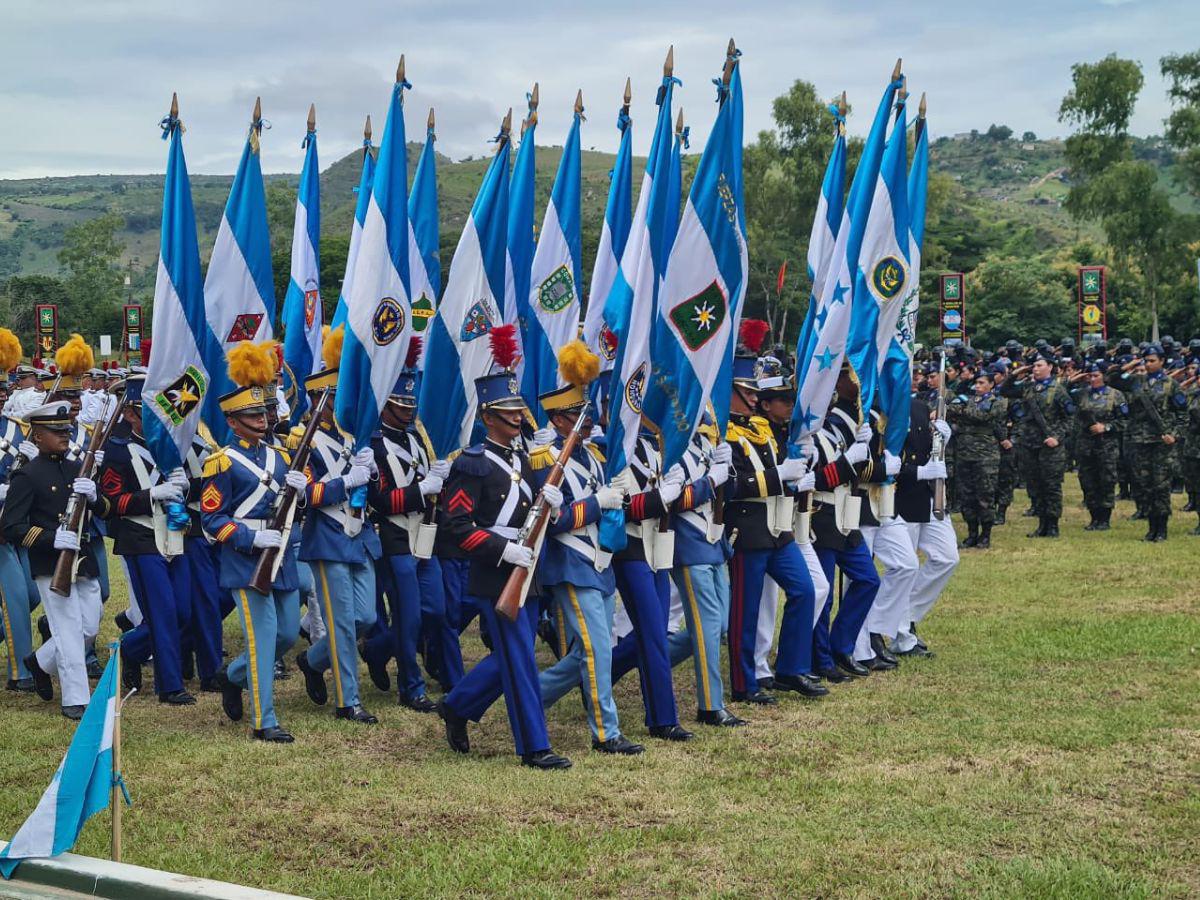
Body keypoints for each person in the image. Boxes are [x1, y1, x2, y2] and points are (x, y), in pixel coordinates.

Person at [436, 335, 572, 770]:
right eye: (507, 412)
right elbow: (457, 527)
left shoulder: (522, 459)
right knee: (519, 659)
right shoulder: (471, 463)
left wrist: (552, 504)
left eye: (518, 410)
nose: (517, 418)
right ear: (487, 417)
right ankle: (535, 747)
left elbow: (532, 511)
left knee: (514, 656)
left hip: (528, 568)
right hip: (497, 571)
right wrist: (503, 551)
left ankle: (457, 705)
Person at [534, 356, 644, 755]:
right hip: (570, 562)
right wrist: (599, 502)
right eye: (577, 415)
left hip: (600, 561)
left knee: (588, 651)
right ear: (558, 420)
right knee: (597, 650)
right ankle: (605, 733)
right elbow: (554, 520)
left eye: (586, 411)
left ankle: (529, 698)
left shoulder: (593, 455)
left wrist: (621, 493)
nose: (588, 420)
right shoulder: (545, 460)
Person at [202, 343, 305, 742]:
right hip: (246, 560)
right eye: (252, 414)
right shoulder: (222, 461)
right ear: (233, 420)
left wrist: (301, 488)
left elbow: (294, 504)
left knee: (287, 634)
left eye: (263, 412)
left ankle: (232, 676)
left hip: (281, 554)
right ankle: (265, 721)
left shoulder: (282, 456)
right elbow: (212, 519)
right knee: (262, 640)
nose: (262, 419)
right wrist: (250, 537)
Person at [724, 335, 821, 704]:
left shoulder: (761, 429)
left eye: (755, 392)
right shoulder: (722, 433)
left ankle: (791, 669)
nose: (754, 398)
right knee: (745, 613)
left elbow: (781, 471)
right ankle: (743, 684)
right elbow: (734, 485)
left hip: (777, 530)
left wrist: (798, 472)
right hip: (747, 531)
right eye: (747, 392)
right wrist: (781, 475)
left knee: (805, 590)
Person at [0, 401, 109, 719]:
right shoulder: (27, 475)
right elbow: (11, 526)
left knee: (90, 624)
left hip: (82, 558)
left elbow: (105, 510)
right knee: (68, 628)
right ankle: (76, 699)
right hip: (50, 562)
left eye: (66, 430)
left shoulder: (77, 469)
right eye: (56, 431)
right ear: (37, 436)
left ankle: (39, 662)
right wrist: (50, 538)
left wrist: (95, 497)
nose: (65, 435)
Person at [292, 334, 380, 725]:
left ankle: (312, 661)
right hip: (327, 536)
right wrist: (347, 481)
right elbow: (305, 495)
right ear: (317, 399)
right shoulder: (302, 440)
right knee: (342, 623)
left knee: (367, 617)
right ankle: (349, 700)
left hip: (360, 534)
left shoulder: (355, 437)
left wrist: (371, 473)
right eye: (334, 398)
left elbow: (374, 489)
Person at [363, 344, 456, 712]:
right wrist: (423, 489)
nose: (408, 411)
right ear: (386, 404)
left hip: (424, 534)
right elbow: (381, 500)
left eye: (410, 405)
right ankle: (411, 687)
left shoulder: (418, 439)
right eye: (401, 406)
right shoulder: (374, 446)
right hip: (395, 535)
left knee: (435, 610)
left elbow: (431, 486)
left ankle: (376, 650)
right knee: (409, 615)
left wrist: (441, 481)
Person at [96, 372, 196, 704]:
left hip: (173, 533)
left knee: (183, 612)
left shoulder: (173, 447)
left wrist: (184, 484)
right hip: (140, 536)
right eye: (149, 414)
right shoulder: (117, 451)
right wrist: (152, 494)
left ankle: (130, 649)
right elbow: (110, 503)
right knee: (163, 613)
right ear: (130, 413)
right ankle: (169, 686)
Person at [1116, 345, 1187, 541]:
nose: (1148, 364)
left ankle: (1161, 529)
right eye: (1146, 361)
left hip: (1161, 442)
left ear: (1162, 361)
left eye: (1152, 361)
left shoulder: (1171, 385)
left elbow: (1183, 416)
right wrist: (1132, 363)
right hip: (1140, 440)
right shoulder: (1137, 381)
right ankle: (1151, 528)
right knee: (1144, 485)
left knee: (1160, 485)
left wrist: (1174, 435)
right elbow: (1112, 378)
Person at [1002, 354, 1075, 538]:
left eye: (1039, 365)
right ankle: (1042, 524)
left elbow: (1070, 419)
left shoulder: (1058, 390)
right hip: (1030, 444)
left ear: (1050, 367)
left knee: (1051, 486)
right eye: (1033, 366)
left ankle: (1053, 525)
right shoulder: (1028, 387)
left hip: (1050, 447)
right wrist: (1016, 373)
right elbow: (1005, 390)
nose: (1035, 368)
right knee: (1035, 485)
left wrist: (1057, 437)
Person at [947, 370, 1006, 549]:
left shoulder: (997, 402)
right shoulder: (969, 400)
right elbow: (950, 411)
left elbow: (983, 416)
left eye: (982, 383)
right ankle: (972, 533)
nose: (977, 386)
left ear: (991, 384)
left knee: (985, 495)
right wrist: (963, 410)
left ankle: (985, 534)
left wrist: (962, 410)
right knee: (967, 496)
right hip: (965, 454)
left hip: (985, 456)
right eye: (976, 383)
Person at [1075, 362, 1126, 531]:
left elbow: (1125, 421)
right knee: (1088, 481)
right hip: (1086, 445)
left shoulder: (1115, 395)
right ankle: (1094, 517)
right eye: (1089, 376)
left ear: (1104, 376)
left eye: (1096, 375)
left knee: (1106, 480)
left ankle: (1104, 518)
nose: (1092, 379)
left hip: (1106, 446)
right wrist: (1077, 378)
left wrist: (1106, 427)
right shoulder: (1082, 394)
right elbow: (1064, 390)